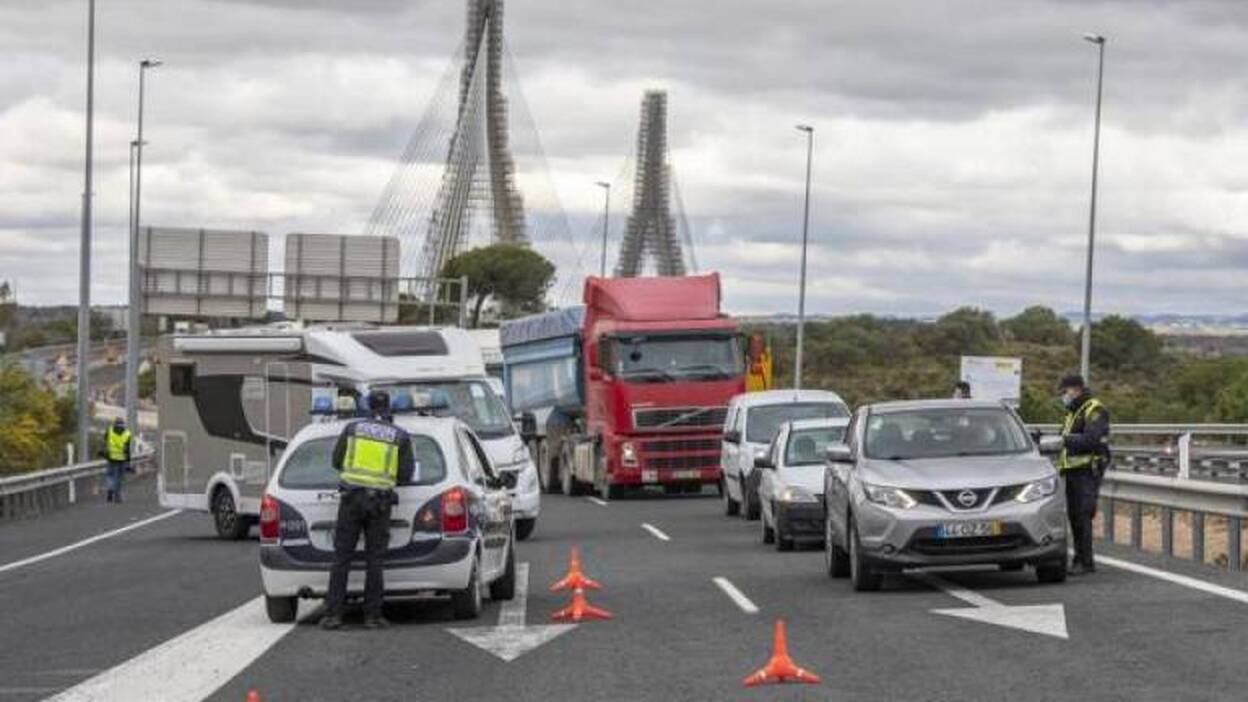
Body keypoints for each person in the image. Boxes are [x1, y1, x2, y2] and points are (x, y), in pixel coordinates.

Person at [321, 390, 415, 631]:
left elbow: (336, 461)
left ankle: (334, 615)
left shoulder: (353, 429)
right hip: (379, 504)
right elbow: (405, 475)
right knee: (375, 560)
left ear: (367, 406)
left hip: (351, 500)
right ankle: (372, 616)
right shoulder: (400, 436)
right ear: (388, 409)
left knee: (341, 558)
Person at [1057, 374, 1111, 576]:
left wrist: (1064, 441)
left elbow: (1091, 439)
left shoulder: (1094, 409)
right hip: (1073, 471)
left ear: (1076, 389)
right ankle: (1079, 559)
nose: (1064, 395)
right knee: (1075, 517)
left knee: (1082, 516)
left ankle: (1085, 562)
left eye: (1065, 391)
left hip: (1088, 470)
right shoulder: (1073, 412)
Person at [103, 418, 133, 503]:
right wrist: (128, 462)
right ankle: (117, 496)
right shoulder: (127, 434)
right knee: (119, 478)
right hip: (122, 459)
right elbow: (127, 449)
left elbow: (105, 441)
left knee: (110, 475)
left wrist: (105, 451)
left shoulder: (110, 431)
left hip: (111, 457)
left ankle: (110, 490)